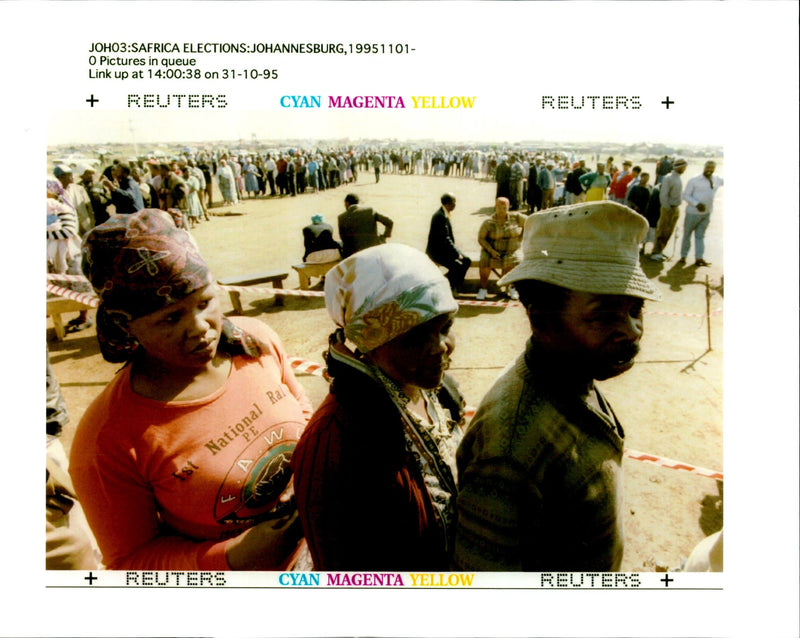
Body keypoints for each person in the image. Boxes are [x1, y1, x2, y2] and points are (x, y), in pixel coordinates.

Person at [69, 209, 311, 570]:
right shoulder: (107, 441)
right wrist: (232, 557)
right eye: (170, 318)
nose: (200, 328)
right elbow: (129, 561)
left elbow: (302, 411)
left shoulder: (255, 341)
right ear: (126, 325)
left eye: (205, 302)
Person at [453, 201, 661, 571]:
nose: (632, 330)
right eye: (605, 315)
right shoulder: (511, 448)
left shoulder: (573, 373)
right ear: (541, 319)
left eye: (635, 309)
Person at [292, 243, 464, 570]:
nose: (440, 347)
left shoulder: (436, 392)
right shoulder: (333, 442)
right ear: (371, 343)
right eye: (415, 338)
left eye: (445, 328)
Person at [476, 197, 525, 301]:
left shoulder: (516, 217)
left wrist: (521, 237)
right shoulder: (488, 222)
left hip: (511, 249)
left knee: (516, 260)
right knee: (484, 260)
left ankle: (511, 287)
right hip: (492, 250)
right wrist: (491, 251)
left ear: (508, 207)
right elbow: (481, 239)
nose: (502, 210)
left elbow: (531, 222)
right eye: (499, 207)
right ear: (495, 206)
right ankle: (483, 289)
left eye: (504, 207)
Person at [678, 161, 723, 267]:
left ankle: (699, 258)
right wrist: (696, 204)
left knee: (700, 236)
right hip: (693, 213)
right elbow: (686, 195)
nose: (709, 170)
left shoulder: (716, 179)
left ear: (715, 169)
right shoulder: (694, 180)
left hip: (706, 214)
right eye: (708, 167)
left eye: (712, 168)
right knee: (687, 235)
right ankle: (683, 257)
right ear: (704, 167)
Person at [425, 193, 472, 294]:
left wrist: (457, 253)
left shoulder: (444, 213)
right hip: (437, 252)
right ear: (447, 204)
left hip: (445, 249)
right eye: (453, 203)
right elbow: (445, 239)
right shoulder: (439, 217)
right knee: (458, 266)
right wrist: (457, 254)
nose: (455, 205)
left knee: (467, 260)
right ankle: (451, 286)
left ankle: (450, 282)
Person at [649, 157, 687, 262]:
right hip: (668, 208)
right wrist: (667, 208)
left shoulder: (678, 178)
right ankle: (655, 252)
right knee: (662, 230)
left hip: (675, 208)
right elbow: (663, 195)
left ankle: (661, 251)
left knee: (669, 231)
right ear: (679, 167)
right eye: (684, 167)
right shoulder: (668, 178)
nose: (685, 169)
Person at [337, 193, 394, 258]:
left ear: (347, 203)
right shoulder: (370, 210)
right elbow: (389, 222)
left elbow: (343, 238)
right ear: (358, 202)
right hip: (373, 248)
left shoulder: (341, 217)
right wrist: (384, 236)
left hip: (354, 254)